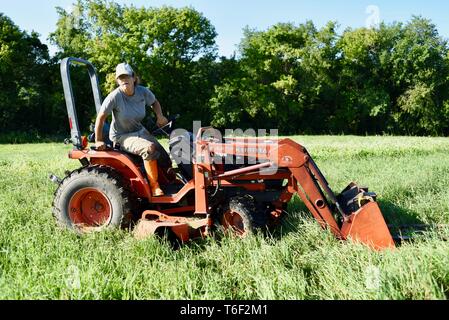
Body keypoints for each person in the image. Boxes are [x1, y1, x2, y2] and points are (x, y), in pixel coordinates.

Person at [94, 62, 169, 197]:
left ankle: (171, 183)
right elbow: (100, 118)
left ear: (134, 78)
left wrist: (160, 116)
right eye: (120, 78)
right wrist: (98, 140)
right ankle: (154, 187)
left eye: (126, 77)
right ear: (117, 81)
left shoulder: (142, 92)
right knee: (149, 148)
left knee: (164, 158)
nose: (124, 80)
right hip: (122, 135)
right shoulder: (114, 97)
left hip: (139, 130)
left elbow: (154, 102)